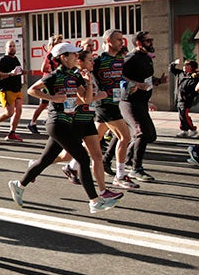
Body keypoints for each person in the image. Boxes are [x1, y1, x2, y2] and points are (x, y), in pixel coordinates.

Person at [8, 43, 122, 213]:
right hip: (56, 123)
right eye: (73, 55)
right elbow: (32, 90)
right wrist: (51, 97)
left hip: (68, 122)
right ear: (63, 57)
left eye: (77, 55)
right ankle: (94, 201)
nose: (76, 57)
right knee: (83, 158)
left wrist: (89, 84)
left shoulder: (74, 76)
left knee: (46, 160)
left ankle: (19, 184)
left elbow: (85, 99)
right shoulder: (55, 76)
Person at [57, 49, 123, 203]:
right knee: (65, 156)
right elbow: (76, 100)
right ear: (80, 62)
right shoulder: (76, 77)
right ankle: (37, 166)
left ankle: (103, 191)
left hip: (88, 120)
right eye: (90, 60)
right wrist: (97, 96)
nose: (94, 63)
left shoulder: (89, 75)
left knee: (97, 156)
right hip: (76, 121)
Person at [117, 30, 168, 182]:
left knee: (149, 135)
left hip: (141, 102)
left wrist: (159, 80)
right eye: (148, 41)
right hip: (129, 101)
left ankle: (110, 160)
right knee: (141, 133)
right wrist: (135, 84)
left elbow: (146, 78)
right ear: (138, 43)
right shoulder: (130, 58)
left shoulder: (146, 58)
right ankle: (135, 168)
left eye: (151, 40)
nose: (151, 43)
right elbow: (118, 74)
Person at [94, 29, 140, 189]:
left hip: (114, 102)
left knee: (94, 139)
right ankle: (120, 176)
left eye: (122, 39)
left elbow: (119, 79)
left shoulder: (119, 60)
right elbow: (85, 77)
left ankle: (71, 166)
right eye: (119, 39)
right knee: (125, 137)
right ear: (108, 40)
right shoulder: (98, 60)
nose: (122, 42)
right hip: (104, 104)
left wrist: (128, 86)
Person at [0, 40, 24, 141]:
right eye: (10, 46)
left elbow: (17, 72)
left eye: (13, 46)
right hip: (6, 89)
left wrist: (24, 72)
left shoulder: (16, 59)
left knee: (19, 110)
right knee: (9, 112)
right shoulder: (2, 60)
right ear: (6, 48)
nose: (12, 48)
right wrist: (10, 74)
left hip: (17, 88)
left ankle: (12, 133)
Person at [27, 34, 63, 135]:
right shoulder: (50, 54)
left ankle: (49, 119)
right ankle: (32, 122)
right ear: (53, 43)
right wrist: (53, 71)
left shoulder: (58, 55)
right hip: (47, 83)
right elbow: (43, 69)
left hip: (56, 82)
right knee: (44, 104)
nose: (60, 44)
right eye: (59, 42)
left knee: (53, 102)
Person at [169, 59, 199, 137]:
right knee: (181, 115)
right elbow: (171, 69)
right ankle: (184, 130)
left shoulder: (194, 76)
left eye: (187, 65)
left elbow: (195, 89)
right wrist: (174, 63)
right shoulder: (181, 74)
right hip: (178, 98)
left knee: (184, 114)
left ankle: (193, 129)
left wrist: (188, 96)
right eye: (184, 65)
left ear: (192, 67)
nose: (184, 67)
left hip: (186, 99)